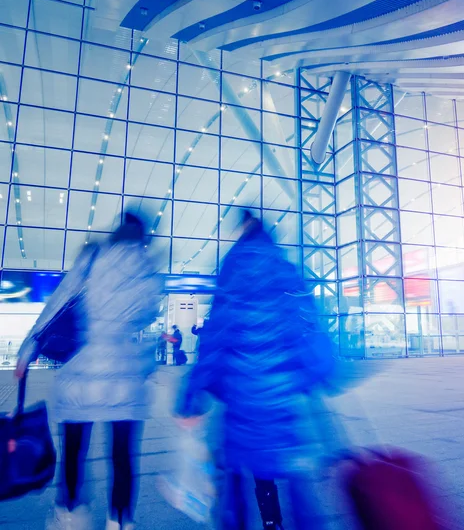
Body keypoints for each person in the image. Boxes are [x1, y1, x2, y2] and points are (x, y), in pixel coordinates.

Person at [176, 210, 335, 530]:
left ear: (242, 229)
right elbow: (308, 324)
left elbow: (217, 335)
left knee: (234, 470)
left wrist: (193, 393)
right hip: (279, 394)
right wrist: (320, 370)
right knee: (281, 466)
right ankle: (275, 523)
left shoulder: (232, 268)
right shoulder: (285, 267)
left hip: (240, 393)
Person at [16, 212, 162, 530]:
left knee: (74, 450)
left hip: (82, 372)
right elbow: (149, 313)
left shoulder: (93, 256)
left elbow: (58, 302)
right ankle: (119, 521)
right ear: (142, 237)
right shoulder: (148, 269)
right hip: (125, 377)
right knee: (122, 456)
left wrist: (28, 348)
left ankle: (71, 515)